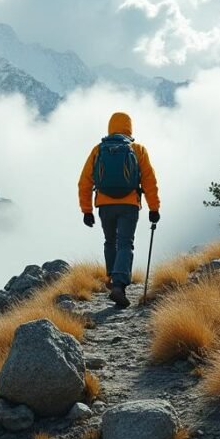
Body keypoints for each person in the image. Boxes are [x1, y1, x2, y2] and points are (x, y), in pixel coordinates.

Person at [78, 111, 160, 308]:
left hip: (105, 205)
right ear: (129, 128)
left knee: (110, 241)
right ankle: (119, 285)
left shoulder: (98, 150)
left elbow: (84, 182)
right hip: (129, 204)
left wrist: (87, 210)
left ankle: (111, 277)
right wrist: (154, 207)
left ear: (110, 127)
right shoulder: (137, 149)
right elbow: (149, 181)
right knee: (125, 243)